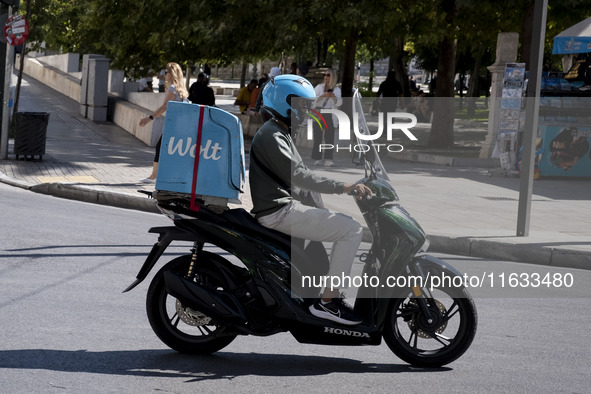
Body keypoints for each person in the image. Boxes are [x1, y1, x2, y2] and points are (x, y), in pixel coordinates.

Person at [249, 74, 372, 325]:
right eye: (303, 106)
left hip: (282, 207)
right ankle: (328, 303)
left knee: (336, 229)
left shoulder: (279, 132)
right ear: (286, 104)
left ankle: (321, 294)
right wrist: (344, 187)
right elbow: (301, 177)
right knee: (351, 230)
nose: (308, 111)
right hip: (279, 212)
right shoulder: (272, 135)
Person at [138, 62, 189, 183]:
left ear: (171, 74)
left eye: (166, 72)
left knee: (161, 147)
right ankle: (167, 176)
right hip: (180, 125)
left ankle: (154, 176)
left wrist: (149, 118)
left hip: (173, 125)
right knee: (171, 150)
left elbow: (164, 106)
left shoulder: (173, 88)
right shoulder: (180, 88)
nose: (164, 74)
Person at [311, 68, 342, 167]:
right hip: (318, 113)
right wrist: (324, 95)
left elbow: (339, 103)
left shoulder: (336, 89)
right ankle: (317, 158)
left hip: (329, 113)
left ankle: (328, 159)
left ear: (333, 77)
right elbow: (312, 100)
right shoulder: (319, 87)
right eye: (325, 75)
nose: (325, 77)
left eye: (328, 75)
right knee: (317, 137)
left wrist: (332, 96)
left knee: (329, 137)